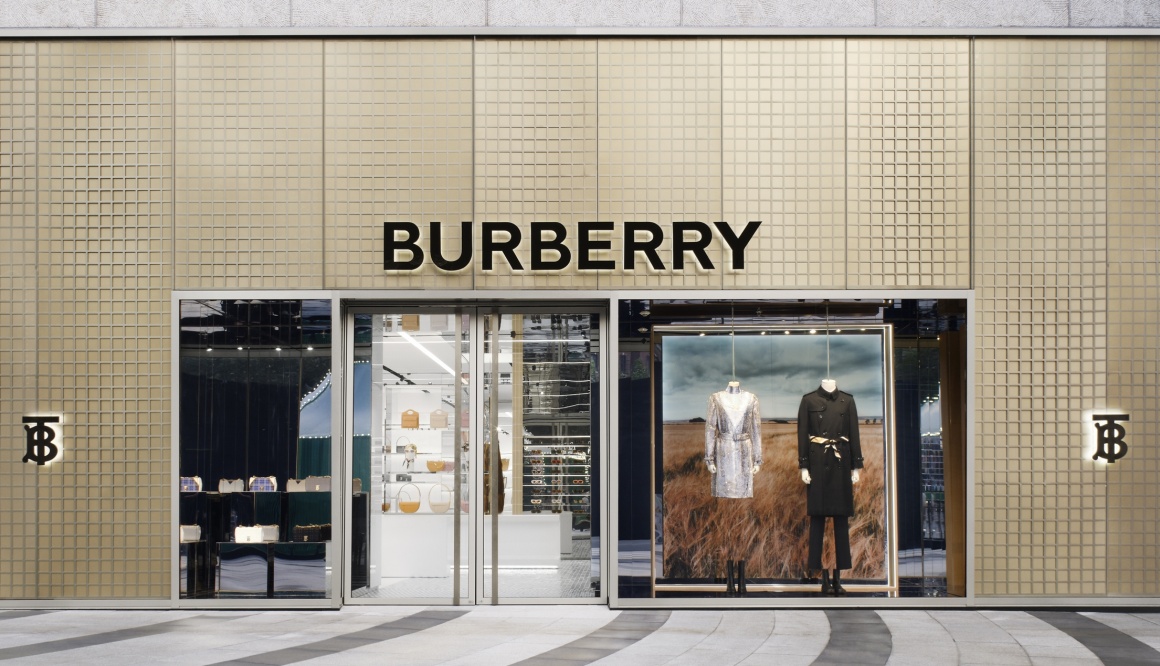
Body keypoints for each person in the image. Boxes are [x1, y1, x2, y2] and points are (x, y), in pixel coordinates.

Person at [797, 380, 862, 596]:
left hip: (841, 463)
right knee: (818, 521)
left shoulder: (848, 400)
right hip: (817, 464)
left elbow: (854, 434)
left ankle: (838, 577)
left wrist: (856, 466)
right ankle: (823, 576)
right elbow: (802, 435)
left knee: (840, 522)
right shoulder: (808, 400)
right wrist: (804, 466)